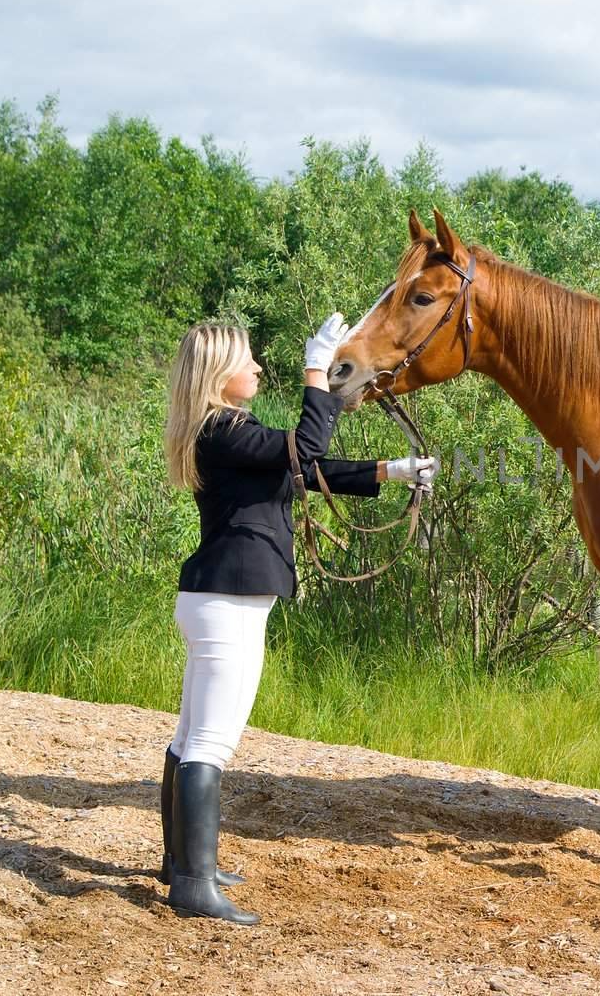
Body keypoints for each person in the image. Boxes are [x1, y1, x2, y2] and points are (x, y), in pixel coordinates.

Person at [159, 315, 437, 924]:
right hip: (227, 602)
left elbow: (298, 467)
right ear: (219, 374)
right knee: (210, 742)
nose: (258, 367)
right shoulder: (224, 430)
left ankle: (181, 865)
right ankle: (193, 884)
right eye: (249, 359)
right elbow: (305, 448)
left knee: (190, 739)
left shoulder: (225, 432)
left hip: (218, 598)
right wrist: (317, 373)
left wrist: (388, 471)